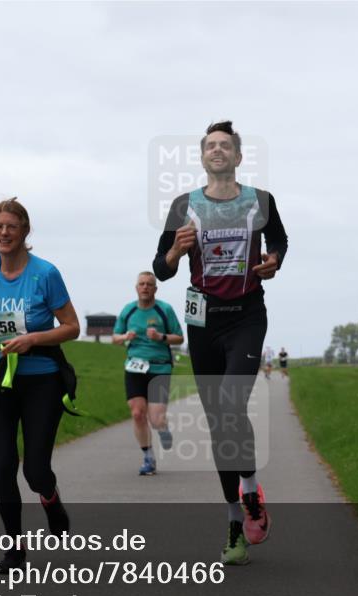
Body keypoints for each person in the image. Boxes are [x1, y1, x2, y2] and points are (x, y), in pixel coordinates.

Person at [153, 120, 288, 565]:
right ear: (203, 156)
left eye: (225, 146)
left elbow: (279, 241)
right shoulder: (183, 206)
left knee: (232, 404)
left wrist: (272, 262)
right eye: (210, 145)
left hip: (247, 317)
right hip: (203, 322)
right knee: (219, 426)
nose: (217, 151)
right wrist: (175, 251)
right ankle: (235, 520)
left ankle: (250, 489)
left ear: (238, 156)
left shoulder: (260, 201)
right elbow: (162, 267)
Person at [0, 197, 80, 573]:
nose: (4, 233)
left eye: (12, 226)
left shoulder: (45, 274)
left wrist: (32, 339)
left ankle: (50, 498)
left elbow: (72, 327)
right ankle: (14, 548)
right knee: (3, 463)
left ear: (25, 231)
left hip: (41, 377)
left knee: (35, 471)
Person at [112, 271, 184, 475]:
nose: (145, 287)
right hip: (134, 367)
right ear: (136, 287)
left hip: (160, 367)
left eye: (149, 284)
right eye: (141, 284)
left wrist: (161, 337)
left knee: (156, 419)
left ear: (155, 289)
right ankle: (148, 458)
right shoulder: (128, 310)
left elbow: (179, 338)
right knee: (137, 414)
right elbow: (115, 338)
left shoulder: (164, 310)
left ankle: (163, 428)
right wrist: (125, 336)